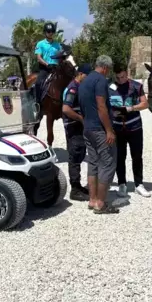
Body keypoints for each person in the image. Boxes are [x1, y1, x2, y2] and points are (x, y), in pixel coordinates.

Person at [78, 55, 119, 214]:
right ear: (106, 68)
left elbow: (81, 106)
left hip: (88, 127)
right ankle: (101, 203)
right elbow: (101, 107)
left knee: (93, 163)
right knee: (108, 163)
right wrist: (109, 130)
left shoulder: (84, 81)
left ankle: (92, 199)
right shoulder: (101, 80)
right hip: (99, 129)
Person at [109, 64, 151, 198]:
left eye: (122, 77)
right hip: (117, 128)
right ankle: (122, 184)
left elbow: (145, 104)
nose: (120, 80)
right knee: (120, 157)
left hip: (134, 127)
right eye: (118, 77)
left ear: (126, 74)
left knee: (137, 156)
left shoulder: (136, 86)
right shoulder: (109, 87)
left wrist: (131, 108)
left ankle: (139, 184)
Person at [61, 63, 93, 201]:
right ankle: (74, 189)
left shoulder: (80, 87)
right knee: (74, 156)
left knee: (79, 155)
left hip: (79, 127)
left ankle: (78, 186)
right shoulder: (73, 88)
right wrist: (81, 119)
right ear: (80, 74)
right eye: (87, 75)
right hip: (73, 127)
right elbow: (66, 109)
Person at [34, 22, 62, 104]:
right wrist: (47, 64)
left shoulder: (57, 44)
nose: (50, 33)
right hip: (45, 68)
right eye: (48, 32)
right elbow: (39, 58)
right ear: (45, 32)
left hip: (56, 68)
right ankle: (38, 103)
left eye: (52, 32)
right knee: (38, 83)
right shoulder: (40, 44)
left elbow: (60, 56)